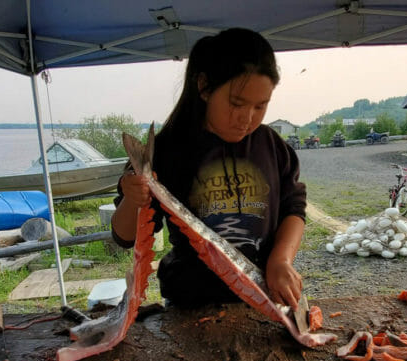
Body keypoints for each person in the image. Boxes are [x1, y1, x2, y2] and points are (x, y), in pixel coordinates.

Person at [110, 28, 307, 310]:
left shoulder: (271, 145)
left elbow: (294, 208)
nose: (247, 118)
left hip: (264, 299)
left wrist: (281, 260)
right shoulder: (167, 151)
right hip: (191, 305)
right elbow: (125, 237)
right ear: (204, 87)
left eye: (260, 106)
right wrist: (132, 199)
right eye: (236, 104)